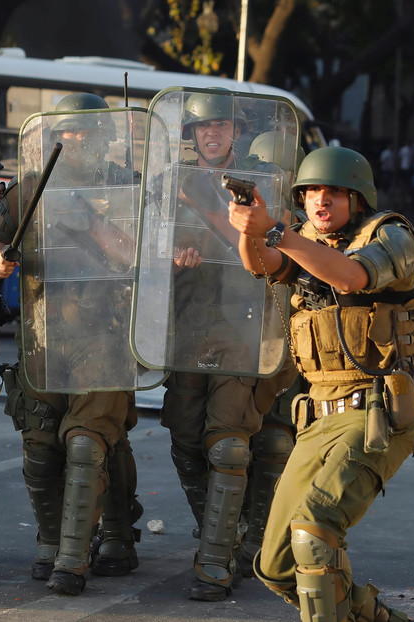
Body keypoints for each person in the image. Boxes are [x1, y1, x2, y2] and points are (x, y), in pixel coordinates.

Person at [228, 145, 414, 622]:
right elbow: (261, 264)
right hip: (317, 420)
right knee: (276, 567)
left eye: (334, 192)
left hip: (376, 415)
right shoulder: (308, 240)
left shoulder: (393, 236)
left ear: (358, 198)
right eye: (312, 191)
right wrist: (250, 228)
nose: (321, 201)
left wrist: (277, 232)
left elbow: (352, 277)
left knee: (315, 529)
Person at [0, 93, 147, 595]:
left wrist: (93, 223)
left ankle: (72, 561)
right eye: (69, 131)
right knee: (37, 445)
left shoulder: (127, 187)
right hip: (42, 334)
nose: (76, 140)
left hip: (107, 336)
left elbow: (139, 256)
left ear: (104, 138)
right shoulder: (31, 187)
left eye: (87, 132)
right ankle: (51, 542)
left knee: (87, 444)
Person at [153, 89, 298, 601]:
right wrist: (171, 257)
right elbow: (141, 249)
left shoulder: (260, 182)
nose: (211, 133)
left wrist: (202, 202)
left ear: (235, 131)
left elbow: (259, 252)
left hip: (243, 326)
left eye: (221, 125)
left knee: (230, 443)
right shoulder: (166, 181)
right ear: (191, 135)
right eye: (202, 127)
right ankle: (232, 537)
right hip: (187, 326)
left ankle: (214, 565)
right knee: (185, 440)